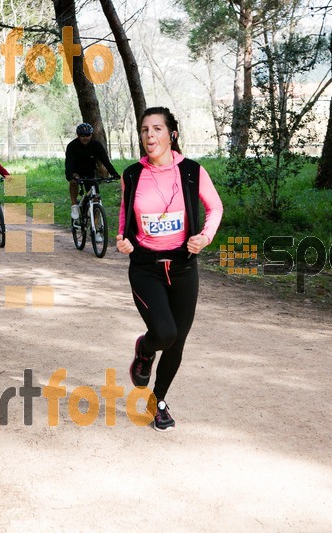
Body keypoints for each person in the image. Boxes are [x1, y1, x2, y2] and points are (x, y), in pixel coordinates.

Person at [116, 107, 223, 432]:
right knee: (164, 333)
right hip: (146, 268)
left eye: (157, 129)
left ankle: (158, 401)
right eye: (145, 129)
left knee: (177, 342)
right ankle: (144, 350)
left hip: (182, 268)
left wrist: (204, 237)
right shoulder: (133, 174)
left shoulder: (192, 171)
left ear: (172, 134)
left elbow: (214, 206)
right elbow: (125, 212)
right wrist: (123, 238)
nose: (150, 135)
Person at [65, 123, 120, 225]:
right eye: (82, 135)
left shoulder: (96, 146)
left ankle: (97, 229)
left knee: (96, 199)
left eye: (87, 135)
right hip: (76, 171)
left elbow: (105, 161)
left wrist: (114, 174)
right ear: (78, 135)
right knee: (73, 182)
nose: (85, 138)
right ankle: (74, 206)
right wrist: (69, 175)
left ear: (91, 135)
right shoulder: (72, 146)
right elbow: (68, 163)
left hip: (89, 172)